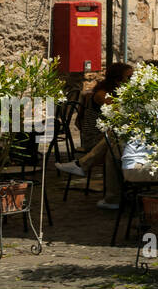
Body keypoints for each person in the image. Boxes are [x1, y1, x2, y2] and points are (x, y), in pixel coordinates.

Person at [55, 62, 134, 209]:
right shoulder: (102, 94)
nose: (133, 80)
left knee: (116, 139)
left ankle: (83, 165)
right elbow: (120, 112)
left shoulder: (121, 92)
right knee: (115, 141)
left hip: (107, 137)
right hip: (94, 139)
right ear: (117, 80)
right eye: (129, 77)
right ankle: (116, 195)